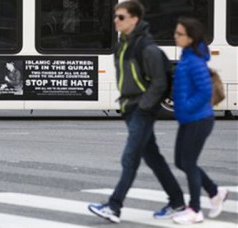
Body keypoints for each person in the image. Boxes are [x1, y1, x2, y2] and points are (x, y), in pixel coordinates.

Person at [88, 1, 185, 223]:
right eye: (115, 16)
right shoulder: (123, 45)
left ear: (134, 19)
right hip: (131, 108)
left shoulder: (147, 48)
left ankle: (114, 207)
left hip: (141, 110)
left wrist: (143, 106)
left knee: (130, 158)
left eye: (121, 17)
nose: (115, 20)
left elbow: (160, 83)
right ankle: (178, 201)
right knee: (153, 158)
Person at [170, 17, 229, 225]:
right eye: (176, 32)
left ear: (191, 37)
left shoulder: (194, 60)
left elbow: (205, 91)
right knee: (181, 161)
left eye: (179, 34)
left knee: (188, 162)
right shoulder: (188, 56)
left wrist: (185, 107)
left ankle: (195, 209)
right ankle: (215, 191)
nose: (175, 37)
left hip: (199, 118)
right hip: (190, 119)